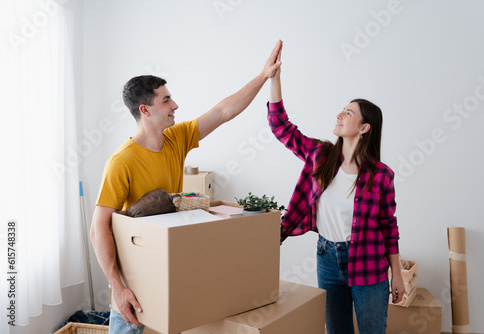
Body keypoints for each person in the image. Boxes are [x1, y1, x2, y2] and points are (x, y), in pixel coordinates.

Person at [90, 40, 283, 334]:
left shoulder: (176, 138)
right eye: (166, 100)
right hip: (135, 272)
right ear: (145, 109)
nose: (175, 105)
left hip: (169, 259)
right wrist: (118, 287)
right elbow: (98, 228)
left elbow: (223, 112)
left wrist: (263, 76)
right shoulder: (121, 161)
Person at [267, 44, 404, 334]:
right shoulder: (320, 155)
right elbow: (281, 127)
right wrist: (274, 79)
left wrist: (397, 275)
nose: (339, 115)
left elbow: (388, 225)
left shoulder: (381, 176)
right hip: (327, 259)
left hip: (368, 262)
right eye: (342, 110)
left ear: (364, 128)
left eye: (348, 113)